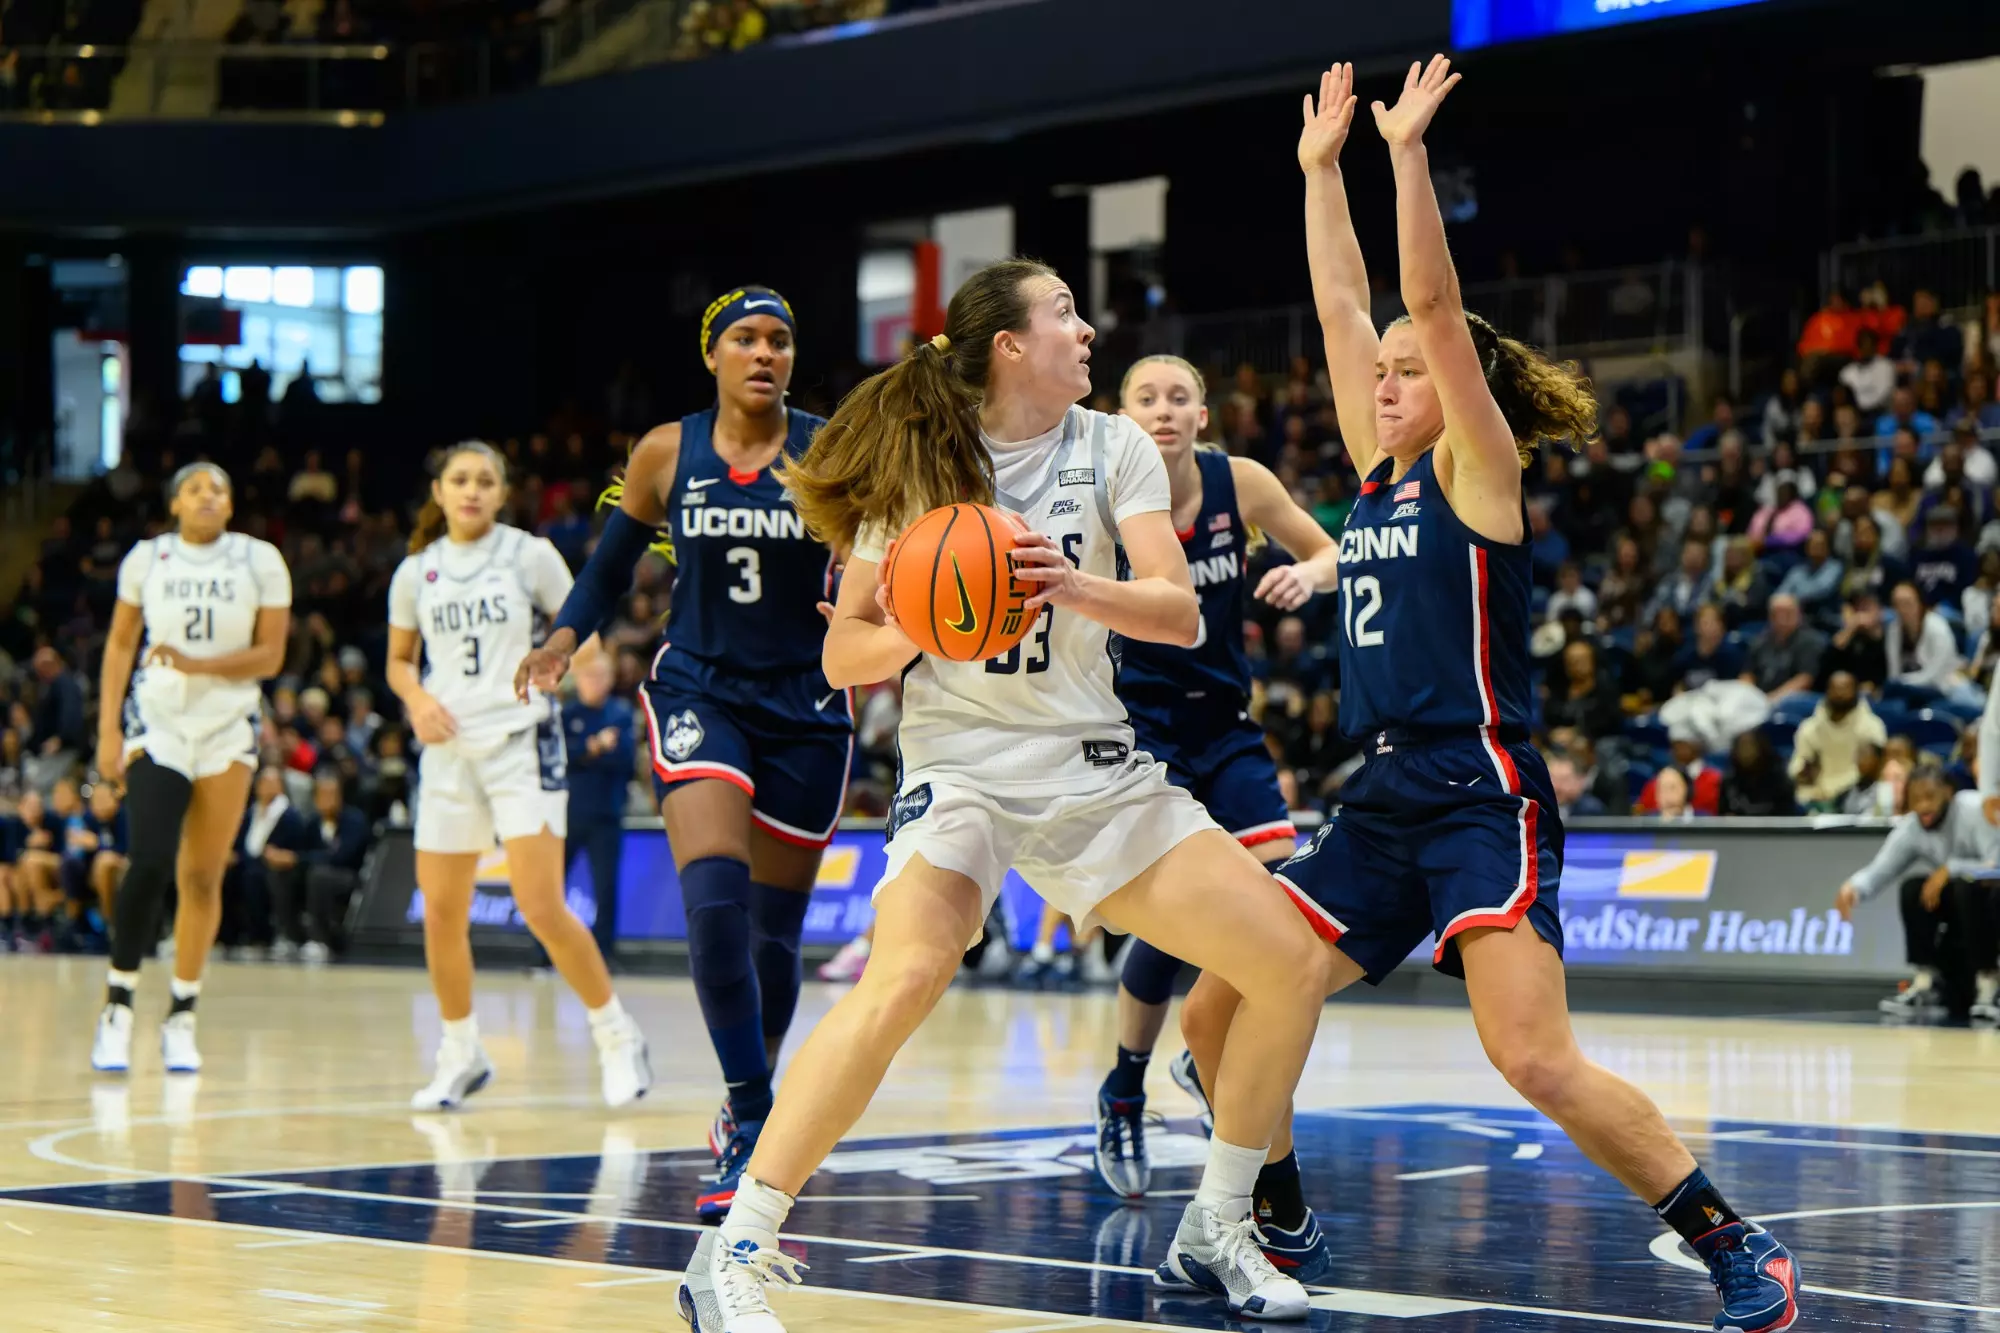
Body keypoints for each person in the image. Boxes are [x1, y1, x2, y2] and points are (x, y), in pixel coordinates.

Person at [676, 258, 1336, 1330]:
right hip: (964, 770)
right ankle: (736, 1246)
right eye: (1064, 313)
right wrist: (926, 626)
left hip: (1094, 766)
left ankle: (1217, 1222)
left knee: (1289, 962)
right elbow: (844, 654)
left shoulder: (1113, 446)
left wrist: (1069, 584)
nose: (1087, 331)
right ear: (1008, 347)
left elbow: (1178, 613)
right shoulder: (921, 469)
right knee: (904, 976)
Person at [1253, 58, 1799, 1333]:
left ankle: (1735, 1242)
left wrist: (1399, 159)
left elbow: (1422, 301)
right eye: (1376, 373)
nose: (1382, 380)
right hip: (1378, 792)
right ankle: (1271, 1209)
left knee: (1530, 1057)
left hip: (1475, 789)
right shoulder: (1373, 480)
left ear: (1454, 389)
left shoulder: (1472, 473)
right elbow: (1344, 306)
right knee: (1227, 996)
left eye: (1405, 370)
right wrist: (1316, 173)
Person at [516, 288, 852, 1220]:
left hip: (810, 700)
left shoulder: (830, 447)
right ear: (713, 354)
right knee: (714, 905)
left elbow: (884, 550)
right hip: (700, 688)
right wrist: (562, 639)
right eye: (745, 338)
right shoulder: (668, 449)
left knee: (774, 935)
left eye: (780, 340)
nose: (764, 353)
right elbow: (611, 563)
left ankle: (751, 1093)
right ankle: (752, 1115)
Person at [1090, 354, 1341, 1280]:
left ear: (1205, 410)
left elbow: (1328, 546)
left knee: (1268, 889)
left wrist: (1308, 577)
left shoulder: (1244, 482)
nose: (1163, 411)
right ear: (1120, 418)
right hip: (1136, 726)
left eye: (1178, 396)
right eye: (1145, 398)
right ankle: (1124, 1088)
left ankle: (1199, 1057)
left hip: (1223, 723)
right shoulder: (1104, 493)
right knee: (1178, 912)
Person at [387, 440, 650, 1112]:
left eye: (484, 480)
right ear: (439, 491)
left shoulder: (528, 554)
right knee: (442, 914)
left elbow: (583, 631)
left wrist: (562, 666)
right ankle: (460, 1051)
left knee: (541, 904)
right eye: (459, 479)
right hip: (447, 750)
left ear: (503, 493)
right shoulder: (416, 571)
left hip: (519, 740)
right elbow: (398, 662)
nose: (471, 490)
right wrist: (416, 701)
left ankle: (616, 1033)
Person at [91, 463, 291, 1075]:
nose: (208, 496)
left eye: (220, 490)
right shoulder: (148, 559)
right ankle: (118, 1006)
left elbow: (271, 655)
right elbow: (122, 644)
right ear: (175, 502)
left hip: (228, 727)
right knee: (149, 859)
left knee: (202, 878)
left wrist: (197, 665)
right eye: (195, 488)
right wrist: (104, 733)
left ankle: (181, 1013)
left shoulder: (260, 560)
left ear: (231, 507)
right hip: (159, 721)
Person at [1835, 768, 1999, 1022]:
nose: (1923, 805)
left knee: (1969, 883)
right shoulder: (1912, 827)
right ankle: (1927, 981)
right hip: (1965, 907)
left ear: (1948, 793)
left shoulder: (1974, 809)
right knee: (1914, 889)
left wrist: (1952, 868)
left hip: (1992, 901)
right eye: (1915, 799)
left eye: (1929, 796)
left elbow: (1996, 866)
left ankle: (1990, 983)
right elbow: (1882, 868)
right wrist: (1854, 888)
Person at [561, 654, 637, 963]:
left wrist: (585, 753)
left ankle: (604, 954)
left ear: (610, 679)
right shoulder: (566, 714)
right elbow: (561, 758)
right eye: (589, 675)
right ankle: (544, 954)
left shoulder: (620, 713)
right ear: (578, 677)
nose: (595, 681)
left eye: (601, 675)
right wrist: (595, 747)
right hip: (566, 816)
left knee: (606, 888)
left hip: (607, 815)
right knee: (552, 887)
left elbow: (625, 761)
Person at [268, 769, 370, 962]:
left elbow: (340, 857)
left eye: (332, 794)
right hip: (316, 873)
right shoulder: (313, 823)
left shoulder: (354, 821)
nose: (327, 799)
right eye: (322, 795)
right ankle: (291, 936)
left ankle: (320, 939)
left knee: (319, 875)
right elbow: (302, 851)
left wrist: (297, 859)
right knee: (282, 875)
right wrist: (283, 857)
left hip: (349, 876)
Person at [1789, 673, 1887, 810]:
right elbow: (1798, 764)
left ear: (1856, 692)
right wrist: (1804, 772)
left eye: (1845, 688)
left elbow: (1879, 768)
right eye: (1835, 688)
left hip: (1856, 795)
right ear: (1827, 691)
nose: (1840, 693)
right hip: (1816, 795)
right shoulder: (1809, 728)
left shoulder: (1872, 726)